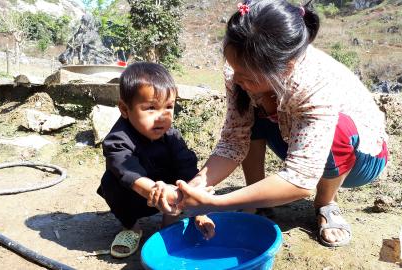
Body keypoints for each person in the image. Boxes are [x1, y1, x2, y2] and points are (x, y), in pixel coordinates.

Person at [166, 0, 388, 248]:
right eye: (233, 68)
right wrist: (196, 186)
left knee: (337, 128)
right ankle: (257, 202)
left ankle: (326, 203)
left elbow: (300, 178)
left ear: (286, 67)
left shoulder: (315, 83)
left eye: (246, 75)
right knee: (252, 113)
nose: (235, 79)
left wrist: (217, 203)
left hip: (360, 160)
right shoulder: (240, 74)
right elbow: (233, 140)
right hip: (294, 138)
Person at [97, 62, 214, 258]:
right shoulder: (117, 140)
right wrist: (156, 192)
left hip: (171, 194)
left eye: (169, 107)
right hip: (136, 197)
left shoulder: (172, 137)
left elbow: (187, 168)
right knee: (111, 182)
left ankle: (169, 221)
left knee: (185, 171)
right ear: (125, 109)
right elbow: (129, 173)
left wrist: (199, 210)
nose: (161, 117)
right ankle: (132, 228)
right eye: (151, 108)